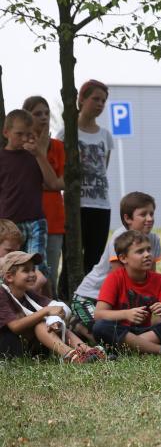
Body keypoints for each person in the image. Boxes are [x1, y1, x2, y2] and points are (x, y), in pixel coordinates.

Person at [71, 191, 161, 339]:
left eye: (152, 214)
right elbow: (122, 281)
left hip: (116, 301)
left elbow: (151, 278)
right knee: (103, 332)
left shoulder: (153, 239)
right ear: (127, 218)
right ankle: (78, 326)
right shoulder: (119, 239)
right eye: (143, 214)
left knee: (125, 332)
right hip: (89, 298)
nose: (150, 219)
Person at [92, 230, 161, 356]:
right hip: (121, 330)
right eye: (140, 251)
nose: (147, 255)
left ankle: (126, 350)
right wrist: (126, 314)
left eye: (149, 250)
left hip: (143, 332)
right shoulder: (114, 278)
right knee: (100, 327)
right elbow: (98, 314)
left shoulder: (159, 280)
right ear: (123, 258)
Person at [0, 110, 64, 297]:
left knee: (38, 267)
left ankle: (49, 306)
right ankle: (17, 308)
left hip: (36, 220)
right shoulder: (2, 158)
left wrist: (39, 155)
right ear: (6, 133)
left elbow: (52, 183)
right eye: (18, 134)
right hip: (10, 223)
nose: (23, 138)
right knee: (12, 267)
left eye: (28, 135)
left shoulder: (34, 156)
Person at [0, 251, 103, 362]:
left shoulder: (28, 294)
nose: (33, 274)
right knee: (40, 323)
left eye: (33, 269)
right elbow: (15, 326)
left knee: (49, 324)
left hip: (27, 345)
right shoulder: (2, 293)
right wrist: (46, 312)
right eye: (26, 270)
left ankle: (88, 351)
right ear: (9, 277)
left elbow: (57, 307)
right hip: (6, 347)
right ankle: (70, 355)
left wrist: (55, 320)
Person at [57, 79, 113, 278]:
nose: (100, 104)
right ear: (81, 99)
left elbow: (103, 168)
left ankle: (88, 303)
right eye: (95, 99)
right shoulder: (66, 133)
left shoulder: (105, 136)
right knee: (72, 257)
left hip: (100, 206)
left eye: (103, 101)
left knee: (94, 260)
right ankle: (66, 297)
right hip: (75, 206)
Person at [23, 96, 65, 297]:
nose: (44, 117)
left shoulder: (58, 147)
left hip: (54, 219)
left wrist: (41, 153)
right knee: (24, 273)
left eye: (47, 113)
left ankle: (53, 314)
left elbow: (58, 183)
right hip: (26, 218)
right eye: (37, 113)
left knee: (49, 275)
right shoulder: (21, 149)